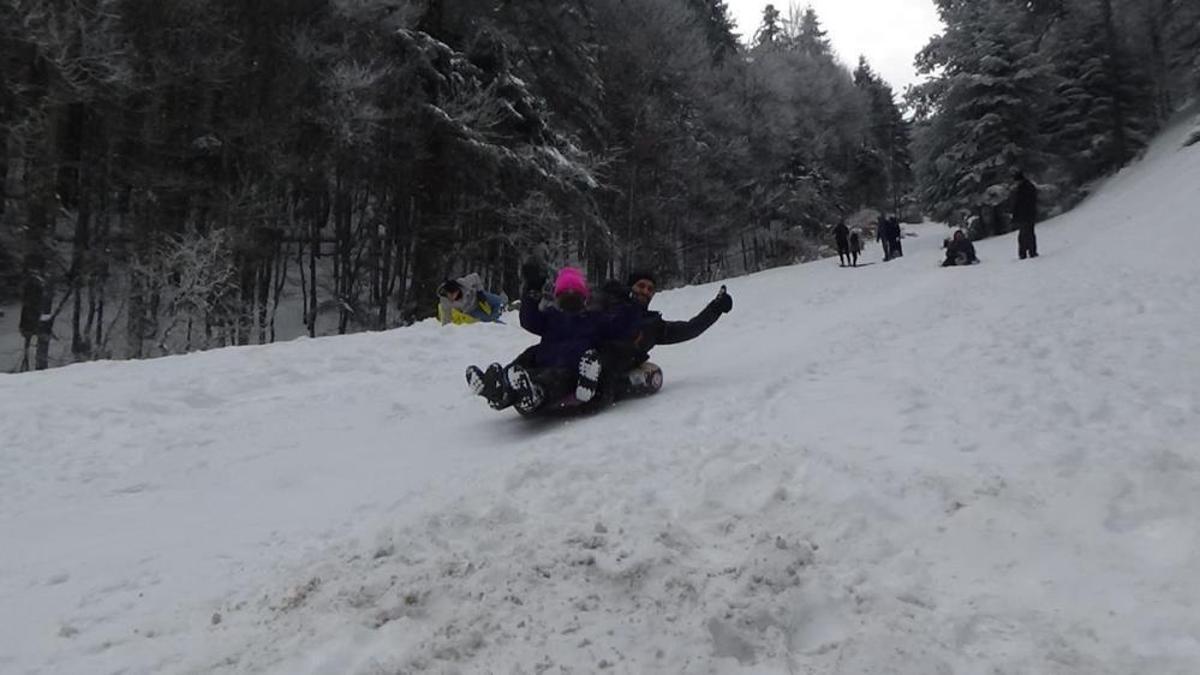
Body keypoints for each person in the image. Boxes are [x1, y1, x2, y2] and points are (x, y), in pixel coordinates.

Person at [465, 262, 633, 414]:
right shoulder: (552, 317)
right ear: (557, 298)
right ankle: (500, 387)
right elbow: (529, 321)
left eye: (575, 294)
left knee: (553, 379)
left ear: (584, 298)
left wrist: (621, 304)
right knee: (527, 359)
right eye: (564, 294)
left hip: (570, 368)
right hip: (543, 360)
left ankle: (535, 395)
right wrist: (532, 291)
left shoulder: (593, 319)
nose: (570, 297)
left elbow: (617, 328)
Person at [436, 273, 505, 325]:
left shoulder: (464, 282)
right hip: (471, 310)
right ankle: (500, 324)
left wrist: (480, 291)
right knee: (488, 320)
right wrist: (447, 330)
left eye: (452, 294)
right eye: (448, 295)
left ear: (457, 290)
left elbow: (475, 276)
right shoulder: (445, 301)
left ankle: (504, 311)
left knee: (498, 301)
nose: (450, 297)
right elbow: (446, 317)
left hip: (478, 297)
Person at [1011, 170, 1039, 259]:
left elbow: (1019, 203)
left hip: (1025, 215)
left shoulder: (1023, 188)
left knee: (1024, 234)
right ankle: (1031, 251)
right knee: (1029, 233)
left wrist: (1016, 215)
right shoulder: (1029, 187)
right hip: (1029, 214)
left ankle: (1024, 253)